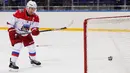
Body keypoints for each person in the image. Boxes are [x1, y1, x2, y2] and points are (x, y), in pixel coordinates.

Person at [7, 0, 41, 70]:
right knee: (18, 46)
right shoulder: (19, 13)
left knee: (32, 47)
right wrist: (12, 31)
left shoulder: (36, 17)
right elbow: (10, 23)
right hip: (16, 33)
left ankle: (33, 60)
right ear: (27, 8)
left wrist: (35, 31)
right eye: (31, 8)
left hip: (25, 33)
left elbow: (34, 27)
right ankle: (12, 63)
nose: (32, 10)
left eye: (34, 9)